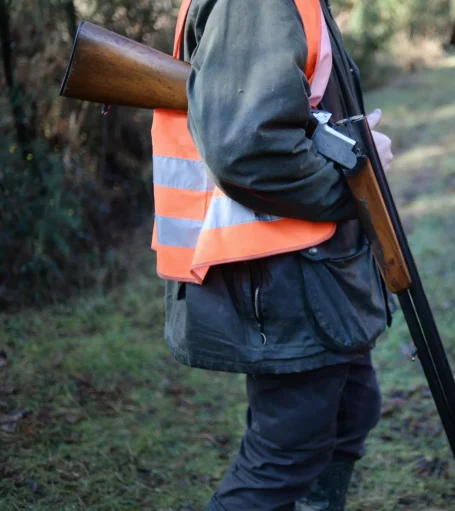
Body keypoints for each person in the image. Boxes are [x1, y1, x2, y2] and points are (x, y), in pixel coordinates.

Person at [150, 0, 395, 509]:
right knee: (286, 454)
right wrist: (356, 189)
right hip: (283, 274)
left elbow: (287, 114)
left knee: (348, 414)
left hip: (309, 268)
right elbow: (247, 147)